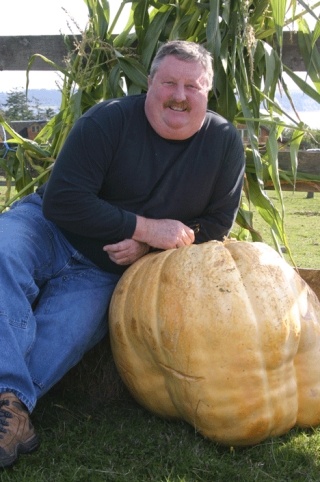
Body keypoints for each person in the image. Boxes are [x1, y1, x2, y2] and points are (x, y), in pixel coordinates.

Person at [0, 40, 245, 467]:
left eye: (193, 86)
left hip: (107, 268)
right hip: (49, 228)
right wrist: (144, 227)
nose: (179, 95)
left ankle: (11, 411)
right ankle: (10, 406)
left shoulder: (224, 143)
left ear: (208, 92)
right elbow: (63, 200)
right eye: (169, 82)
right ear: (150, 83)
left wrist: (148, 245)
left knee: (67, 334)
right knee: (3, 249)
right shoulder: (108, 120)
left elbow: (216, 225)